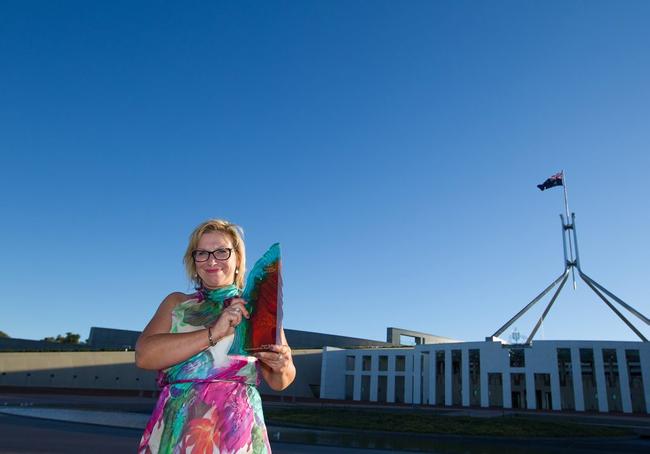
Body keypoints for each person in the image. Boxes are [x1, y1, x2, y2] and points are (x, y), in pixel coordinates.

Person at [136, 219, 295, 453]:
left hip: (237, 432)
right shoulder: (177, 303)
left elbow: (281, 381)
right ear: (194, 261)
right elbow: (144, 356)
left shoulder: (258, 307)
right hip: (179, 428)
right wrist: (213, 333)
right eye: (202, 253)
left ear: (237, 259)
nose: (212, 261)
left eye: (222, 252)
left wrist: (282, 365)